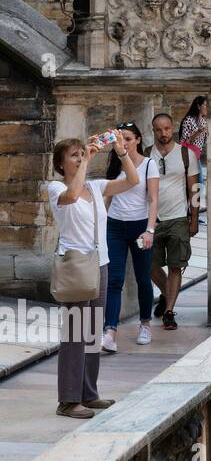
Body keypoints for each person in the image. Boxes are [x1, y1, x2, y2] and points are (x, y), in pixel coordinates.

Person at [48, 133, 140, 419]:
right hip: (76, 265)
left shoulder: (97, 187)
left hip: (100, 263)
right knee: (75, 334)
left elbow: (133, 181)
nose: (80, 158)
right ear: (61, 164)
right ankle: (68, 400)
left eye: (81, 153)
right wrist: (87, 162)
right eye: (73, 155)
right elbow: (72, 195)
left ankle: (89, 393)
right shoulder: (55, 188)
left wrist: (121, 151)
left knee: (91, 334)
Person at [102, 123, 159, 352]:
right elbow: (107, 195)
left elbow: (154, 199)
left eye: (127, 138)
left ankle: (145, 323)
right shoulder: (116, 163)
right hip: (114, 226)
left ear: (137, 139)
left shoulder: (148, 165)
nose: (123, 142)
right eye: (120, 138)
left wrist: (150, 230)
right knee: (114, 279)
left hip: (139, 226)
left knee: (143, 278)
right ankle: (110, 332)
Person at [148, 113, 200, 333]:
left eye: (167, 128)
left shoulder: (186, 154)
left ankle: (169, 311)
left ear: (173, 129)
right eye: (159, 130)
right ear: (154, 131)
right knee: (149, 264)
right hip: (153, 220)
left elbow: (194, 189)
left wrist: (194, 218)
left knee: (176, 265)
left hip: (178, 218)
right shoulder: (145, 155)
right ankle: (166, 293)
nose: (164, 133)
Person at [179, 96, 209, 214]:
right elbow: (184, 140)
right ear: (198, 106)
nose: (207, 107)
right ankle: (192, 211)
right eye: (205, 105)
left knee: (197, 184)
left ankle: (192, 212)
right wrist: (197, 132)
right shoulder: (188, 120)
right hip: (188, 155)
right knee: (197, 183)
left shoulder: (203, 121)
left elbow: (203, 142)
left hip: (196, 155)